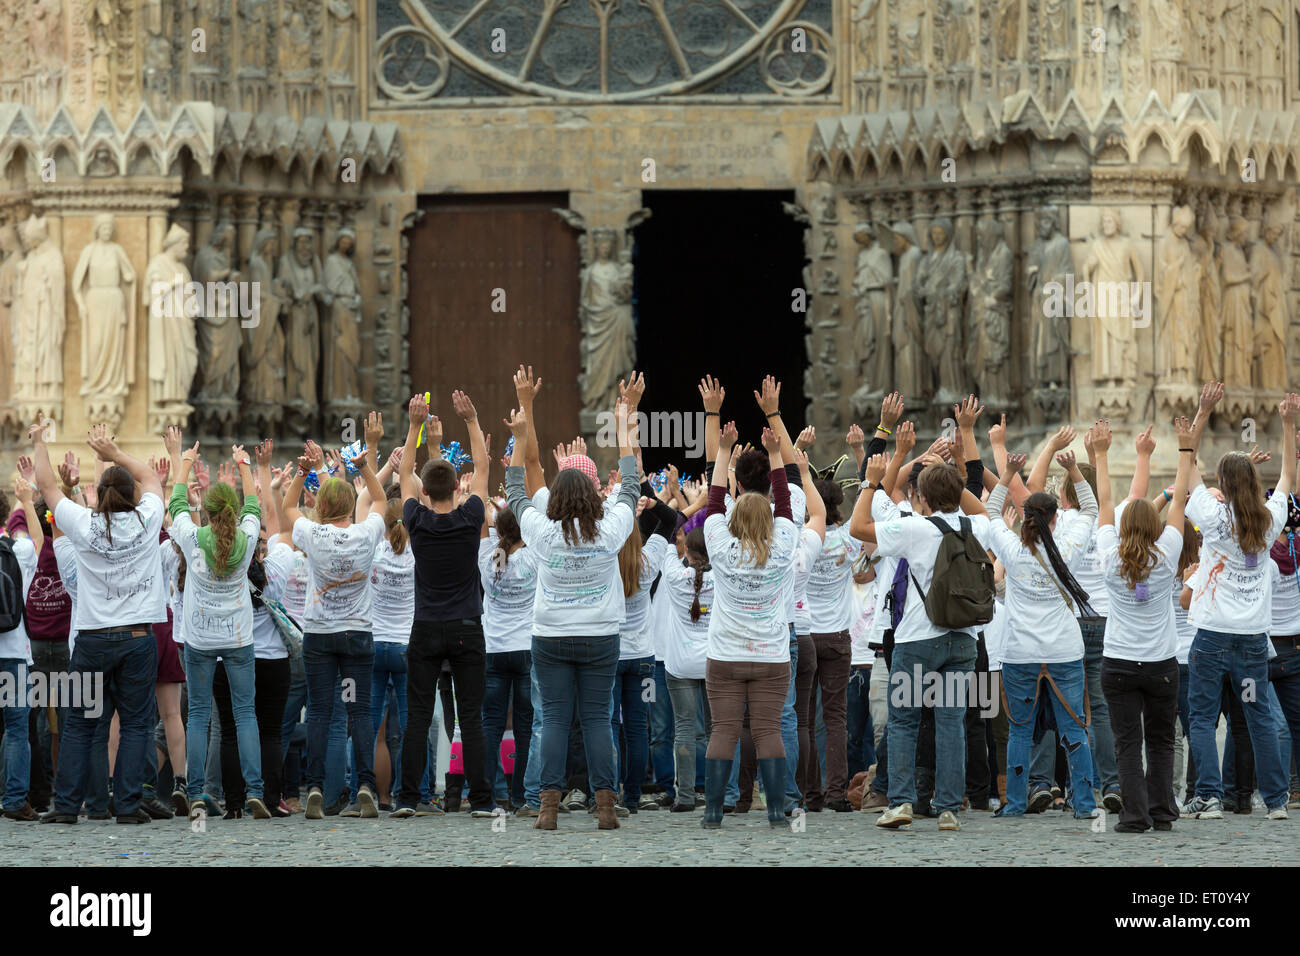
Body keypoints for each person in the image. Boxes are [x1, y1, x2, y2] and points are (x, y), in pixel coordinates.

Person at [849, 408, 993, 831]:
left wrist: (871, 481)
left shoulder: (914, 527)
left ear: (923, 498)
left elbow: (859, 525)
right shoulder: (976, 527)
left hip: (916, 637)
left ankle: (903, 802)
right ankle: (948, 807)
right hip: (963, 638)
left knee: (906, 721)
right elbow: (982, 511)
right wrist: (954, 476)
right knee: (951, 723)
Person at [504, 388, 638, 831]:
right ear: (593, 494)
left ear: (557, 497)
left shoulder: (543, 532)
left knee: (556, 721)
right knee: (599, 720)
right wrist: (625, 419)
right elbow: (631, 485)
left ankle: (547, 808)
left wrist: (521, 432)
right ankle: (605, 807)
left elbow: (515, 490)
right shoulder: (611, 529)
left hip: (551, 635)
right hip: (600, 634)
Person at [31, 422, 167, 825]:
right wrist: (113, 452)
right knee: (137, 724)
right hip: (139, 637)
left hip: (91, 639)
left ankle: (69, 806)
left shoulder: (85, 526)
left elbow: (48, 490)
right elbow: (152, 477)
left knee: (78, 725)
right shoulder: (147, 520)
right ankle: (126, 805)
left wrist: (40, 442)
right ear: (131, 496)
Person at [1182, 383, 1297, 820]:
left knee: (1202, 717)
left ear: (1224, 487)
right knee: (1258, 718)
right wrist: (1288, 424)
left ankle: (1208, 797)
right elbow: (1287, 475)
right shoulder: (1270, 521)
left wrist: (1202, 412)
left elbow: (1188, 466)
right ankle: (1276, 802)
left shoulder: (1213, 518)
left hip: (1212, 637)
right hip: (1252, 640)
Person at [392, 390, 494, 819]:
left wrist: (415, 426)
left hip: (426, 626)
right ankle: (483, 802)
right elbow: (485, 467)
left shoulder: (415, 519)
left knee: (418, 716)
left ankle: (408, 799)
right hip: (467, 626)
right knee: (472, 717)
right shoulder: (472, 517)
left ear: (423, 492)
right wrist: (470, 420)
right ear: (457, 487)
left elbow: (404, 473)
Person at [282, 413, 388, 820]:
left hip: (319, 633)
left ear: (323, 506)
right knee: (360, 711)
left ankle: (313, 787)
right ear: (349, 507)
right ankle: (364, 784)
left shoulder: (313, 534)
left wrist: (305, 472)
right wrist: (363, 465)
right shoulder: (365, 534)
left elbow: (290, 505)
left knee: (322, 711)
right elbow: (379, 501)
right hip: (357, 633)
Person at [985, 447, 1099, 821]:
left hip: (1020, 651)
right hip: (1064, 648)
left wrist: (1007, 474)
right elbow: (1092, 510)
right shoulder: (1067, 548)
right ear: (1054, 520)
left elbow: (989, 513)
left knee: (1020, 730)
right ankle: (1084, 804)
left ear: (1024, 517)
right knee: (1074, 729)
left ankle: (1016, 803)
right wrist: (1074, 471)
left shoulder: (1014, 553)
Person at [699, 423, 800, 830]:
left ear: (734, 517)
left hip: (724, 654)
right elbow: (786, 504)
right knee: (768, 731)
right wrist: (776, 454)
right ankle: (777, 811)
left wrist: (723, 451)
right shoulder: (784, 544)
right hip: (771, 656)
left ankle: (712, 813)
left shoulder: (721, 547)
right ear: (772, 522)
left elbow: (713, 503)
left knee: (723, 730)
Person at [1092, 417, 1191, 832]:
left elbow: (1108, 504)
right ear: (1155, 527)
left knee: (1127, 743)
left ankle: (1134, 816)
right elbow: (1180, 501)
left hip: (1119, 661)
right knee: (1162, 740)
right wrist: (1184, 451)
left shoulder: (1111, 557)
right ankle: (1163, 811)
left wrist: (1101, 454)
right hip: (1161, 663)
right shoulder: (1167, 554)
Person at [168, 434, 269, 819]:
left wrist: (186, 460)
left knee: (197, 716)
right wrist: (243, 463)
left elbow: (177, 502)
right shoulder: (246, 539)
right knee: (245, 714)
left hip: (199, 635)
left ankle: (195, 793)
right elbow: (254, 504)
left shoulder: (193, 539)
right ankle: (254, 791)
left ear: (207, 513)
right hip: (239, 636)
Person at [803, 476, 860, 811]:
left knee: (805, 719)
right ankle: (836, 792)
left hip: (807, 634)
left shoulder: (803, 539)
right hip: (838, 635)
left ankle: (810, 795)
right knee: (836, 717)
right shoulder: (848, 538)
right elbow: (875, 496)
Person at [479, 502, 537, 813]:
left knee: (492, 725)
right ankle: (523, 797)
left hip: (494, 649)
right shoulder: (535, 556)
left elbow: (483, 522)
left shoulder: (488, 554)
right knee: (527, 726)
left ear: (498, 531)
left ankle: (489, 797)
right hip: (527, 649)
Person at [0, 476, 43, 820]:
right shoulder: (20, 551)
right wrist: (26, 500)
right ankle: (14, 800)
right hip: (14, 654)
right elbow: (39, 540)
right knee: (16, 730)